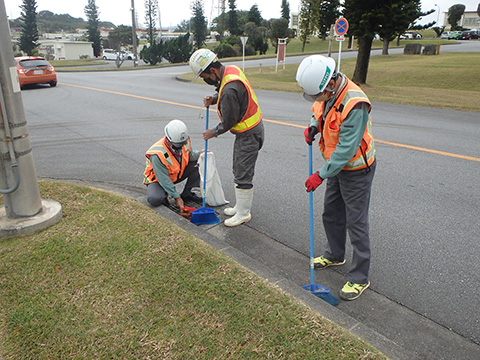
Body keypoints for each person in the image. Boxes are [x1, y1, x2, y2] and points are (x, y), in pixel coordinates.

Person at [296, 55, 376, 301]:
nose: (314, 99)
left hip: (356, 169)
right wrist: (313, 126)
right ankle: (334, 254)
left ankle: (360, 277)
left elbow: (346, 150)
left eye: (316, 94)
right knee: (331, 213)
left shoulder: (355, 103)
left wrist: (320, 175)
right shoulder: (326, 94)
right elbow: (317, 110)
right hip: (336, 168)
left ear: (330, 84)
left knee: (356, 222)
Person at [188, 48, 264, 227]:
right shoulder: (231, 71)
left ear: (212, 71)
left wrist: (212, 132)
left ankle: (244, 213)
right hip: (251, 131)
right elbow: (229, 93)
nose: (204, 79)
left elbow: (230, 120)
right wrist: (214, 98)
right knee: (239, 169)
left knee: (242, 172)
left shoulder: (229, 89)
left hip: (249, 135)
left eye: (204, 76)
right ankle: (240, 207)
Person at [143, 119, 202, 210]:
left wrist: (200, 154)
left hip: (176, 173)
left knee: (200, 162)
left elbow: (189, 155)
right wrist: (176, 197)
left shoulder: (184, 140)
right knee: (155, 199)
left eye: (183, 143)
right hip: (158, 180)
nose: (182, 146)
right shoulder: (158, 154)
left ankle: (187, 194)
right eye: (178, 145)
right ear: (169, 140)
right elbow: (163, 179)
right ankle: (164, 194)